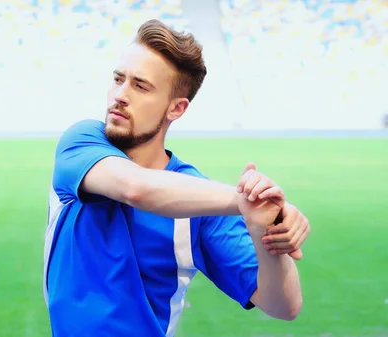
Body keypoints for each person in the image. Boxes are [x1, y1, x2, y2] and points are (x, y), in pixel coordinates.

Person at [43, 19, 311, 337]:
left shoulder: (199, 203)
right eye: (118, 79)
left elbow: (284, 306)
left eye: (140, 86)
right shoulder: (81, 142)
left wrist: (265, 231)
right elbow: (138, 188)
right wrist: (244, 201)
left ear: (176, 108)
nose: (120, 95)